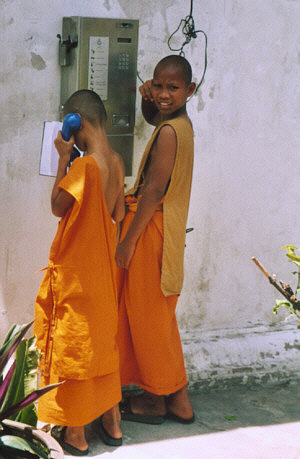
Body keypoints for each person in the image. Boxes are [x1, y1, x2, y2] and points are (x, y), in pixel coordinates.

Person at [34, 89, 125, 455]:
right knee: (101, 345)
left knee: (74, 347)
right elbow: (117, 214)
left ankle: (76, 434)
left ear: (77, 122)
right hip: (103, 271)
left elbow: (58, 206)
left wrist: (63, 159)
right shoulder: (117, 162)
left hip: (78, 274)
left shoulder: (85, 166)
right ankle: (113, 424)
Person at [115, 55, 196, 424]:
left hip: (151, 231)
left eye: (173, 88)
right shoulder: (178, 124)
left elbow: (155, 189)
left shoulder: (168, 133)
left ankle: (155, 398)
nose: (163, 94)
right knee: (159, 318)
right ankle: (178, 398)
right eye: (158, 85)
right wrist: (147, 102)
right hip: (167, 231)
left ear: (189, 90)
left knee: (147, 318)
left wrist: (129, 240)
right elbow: (156, 116)